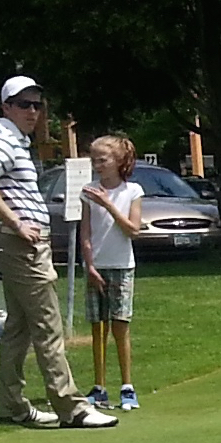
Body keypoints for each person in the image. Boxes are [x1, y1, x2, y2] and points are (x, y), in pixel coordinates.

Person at [0, 76, 116, 429]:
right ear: (6, 107)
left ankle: (12, 406)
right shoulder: (3, 140)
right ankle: (72, 407)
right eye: (23, 104)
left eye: (37, 105)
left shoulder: (17, 141)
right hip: (21, 245)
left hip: (24, 245)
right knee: (48, 325)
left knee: (18, 330)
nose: (32, 111)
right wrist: (17, 222)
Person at [81, 134, 149, 412]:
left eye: (103, 159)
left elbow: (132, 230)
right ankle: (98, 388)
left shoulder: (132, 191)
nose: (98, 165)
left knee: (120, 326)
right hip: (97, 266)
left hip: (122, 265)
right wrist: (90, 266)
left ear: (119, 161)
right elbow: (85, 234)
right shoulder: (87, 191)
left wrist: (108, 204)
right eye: (94, 160)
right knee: (98, 327)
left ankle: (127, 387)